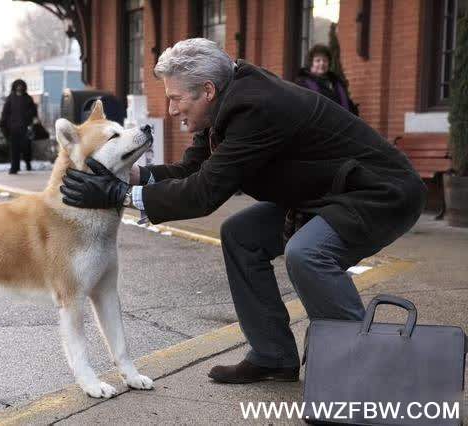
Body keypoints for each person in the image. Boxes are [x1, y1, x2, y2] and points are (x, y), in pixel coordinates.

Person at [60, 38, 426, 384]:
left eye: (175, 99)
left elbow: (204, 193)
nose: (171, 111)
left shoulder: (256, 108)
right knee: (241, 235)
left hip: (379, 192)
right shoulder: (224, 101)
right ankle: (273, 355)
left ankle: (368, 367)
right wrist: (129, 174)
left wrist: (118, 194)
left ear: (207, 90)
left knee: (308, 254)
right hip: (328, 193)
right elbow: (193, 170)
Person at [296, 44, 358, 116]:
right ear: (311, 63)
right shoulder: (303, 84)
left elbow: (348, 105)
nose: (322, 63)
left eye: (325, 60)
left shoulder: (337, 83)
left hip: (342, 124)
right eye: (317, 60)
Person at [0, 79, 39, 174]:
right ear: (14, 87)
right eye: (17, 85)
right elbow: (5, 112)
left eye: (21, 85)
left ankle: (28, 163)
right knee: (14, 149)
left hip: (25, 128)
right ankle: (14, 167)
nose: (19, 87)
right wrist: (4, 123)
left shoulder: (28, 98)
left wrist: (27, 117)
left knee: (26, 148)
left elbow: (34, 112)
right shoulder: (10, 98)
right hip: (13, 128)